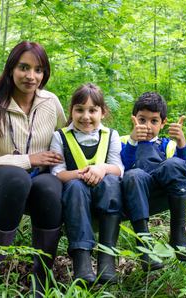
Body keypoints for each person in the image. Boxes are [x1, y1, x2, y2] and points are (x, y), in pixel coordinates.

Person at [0, 41, 66, 297]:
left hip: (41, 178)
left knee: (51, 189)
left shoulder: (51, 102)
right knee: (18, 179)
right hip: (2, 174)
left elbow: (70, 140)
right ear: (11, 69)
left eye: (38, 69)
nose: (31, 76)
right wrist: (28, 160)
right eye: (24, 67)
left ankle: (42, 282)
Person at [49, 83, 124, 285]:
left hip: (105, 195)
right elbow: (57, 172)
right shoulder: (60, 137)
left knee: (111, 182)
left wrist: (101, 169)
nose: (86, 116)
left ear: (103, 112)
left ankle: (107, 258)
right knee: (74, 185)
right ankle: (82, 262)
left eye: (93, 110)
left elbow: (118, 168)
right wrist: (80, 174)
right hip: (76, 197)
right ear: (71, 111)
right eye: (79, 110)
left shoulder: (111, 135)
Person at [120, 91, 186, 272]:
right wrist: (132, 140)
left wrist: (181, 141)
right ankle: (145, 247)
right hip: (136, 187)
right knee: (133, 174)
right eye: (142, 120)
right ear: (134, 119)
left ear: (163, 123)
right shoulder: (125, 141)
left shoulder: (166, 145)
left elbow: (184, 166)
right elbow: (123, 165)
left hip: (163, 184)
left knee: (174, 163)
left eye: (154, 121)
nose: (147, 126)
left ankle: (179, 236)